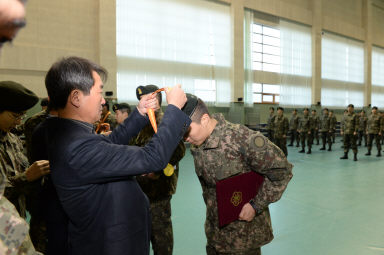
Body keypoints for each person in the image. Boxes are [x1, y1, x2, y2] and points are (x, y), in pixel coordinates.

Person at [44, 56, 190, 255]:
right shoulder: (77, 147)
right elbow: (152, 157)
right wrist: (174, 109)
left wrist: (139, 112)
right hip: (110, 246)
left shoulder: (70, 134)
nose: (104, 100)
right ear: (76, 98)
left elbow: (109, 142)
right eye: (100, 91)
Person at [184, 95, 293, 255]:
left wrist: (256, 205)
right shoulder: (200, 144)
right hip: (215, 235)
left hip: (243, 240)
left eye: (187, 132)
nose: (185, 138)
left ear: (205, 119)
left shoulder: (241, 138)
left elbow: (282, 171)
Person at [132, 85, 186, 255]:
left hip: (158, 194)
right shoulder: (137, 123)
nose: (144, 102)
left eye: (148, 98)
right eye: (141, 99)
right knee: (137, 241)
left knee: (161, 240)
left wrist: (158, 172)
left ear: (157, 101)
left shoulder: (166, 123)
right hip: (136, 193)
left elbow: (179, 151)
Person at [0, 81, 48, 254]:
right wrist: (26, 177)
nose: (19, 121)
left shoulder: (12, 139)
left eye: (22, 116)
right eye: (15, 116)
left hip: (16, 221)